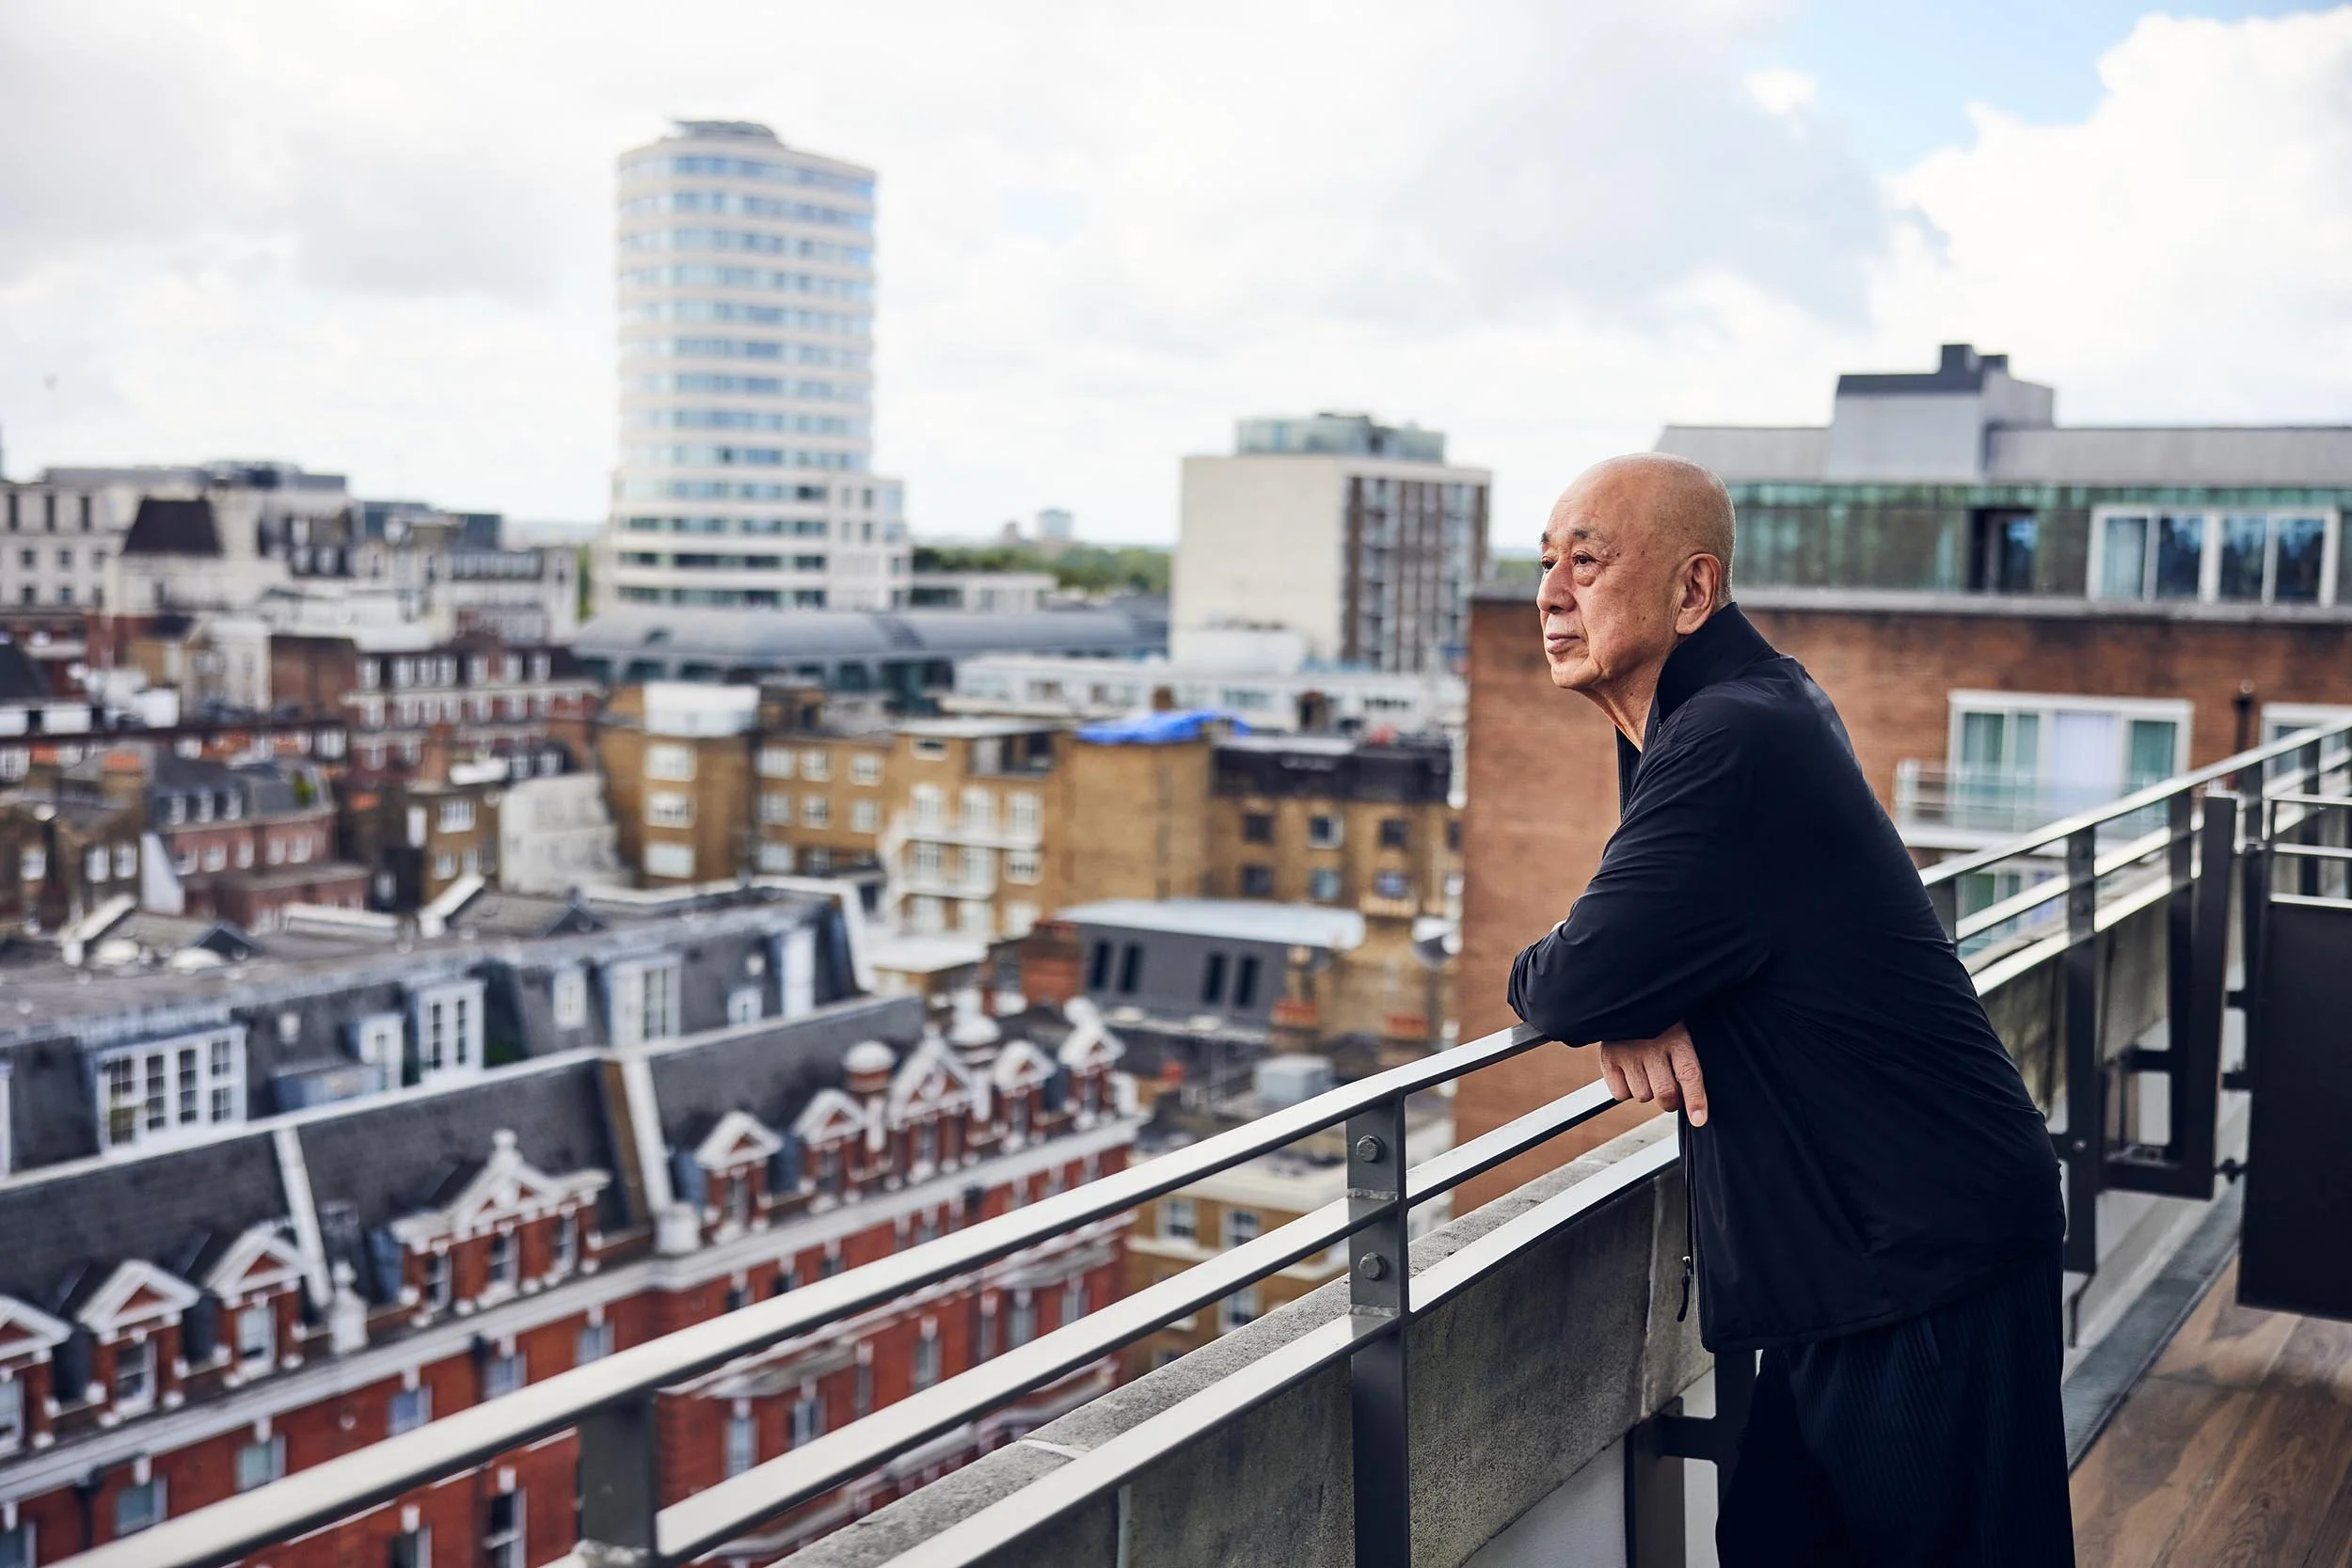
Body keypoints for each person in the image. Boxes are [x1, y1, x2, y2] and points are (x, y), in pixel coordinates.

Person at [1506, 453, 2073, 1566]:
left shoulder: (1732, 735)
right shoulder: (1713, 715)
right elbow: (1625, 959)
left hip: (1923, 1265)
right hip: (1844, 1264)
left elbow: (1573, 976)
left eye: (1588, 558)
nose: (1550, 592)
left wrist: (1606, 991)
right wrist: (1629, 993)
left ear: (1691, 591)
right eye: (1543, 562)